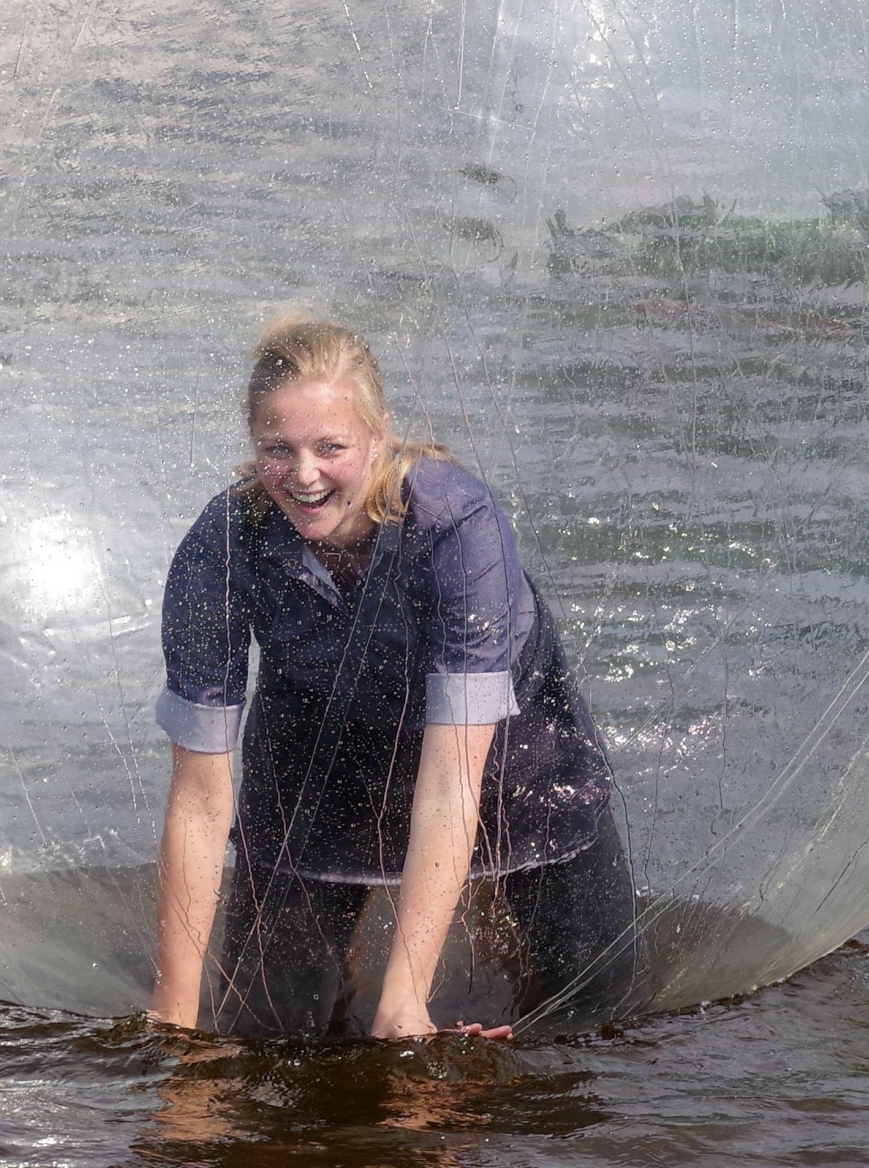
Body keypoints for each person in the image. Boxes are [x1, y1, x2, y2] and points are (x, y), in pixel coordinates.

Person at [150, 318, 639, 1039]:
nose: (304, 474)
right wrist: (172, 1015)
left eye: (330, 447)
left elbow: (449, 783)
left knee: (603, 1023)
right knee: (261, 1032)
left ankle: (475, 941)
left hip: (508, 767)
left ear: (378, 436)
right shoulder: (221, 545)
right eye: (276, 450)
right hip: (318, 767)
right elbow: (198, 798)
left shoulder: (455, 525)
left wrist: (405, 998)